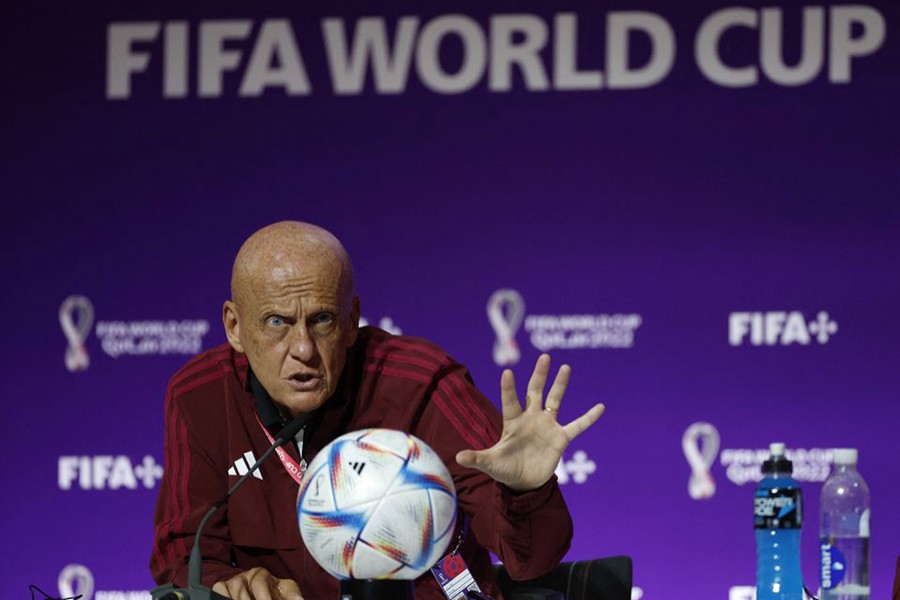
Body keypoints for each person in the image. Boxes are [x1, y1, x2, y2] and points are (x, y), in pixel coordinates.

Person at [150, 221, 605, 600]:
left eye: (322, 320)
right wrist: (230, 584)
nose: (303, 348)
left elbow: (530, 561)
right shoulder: (201, 397)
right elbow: (182, 553)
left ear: (351, 322)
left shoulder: (420, 384)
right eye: (276, 322)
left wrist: (526, 491)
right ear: (234, 326)